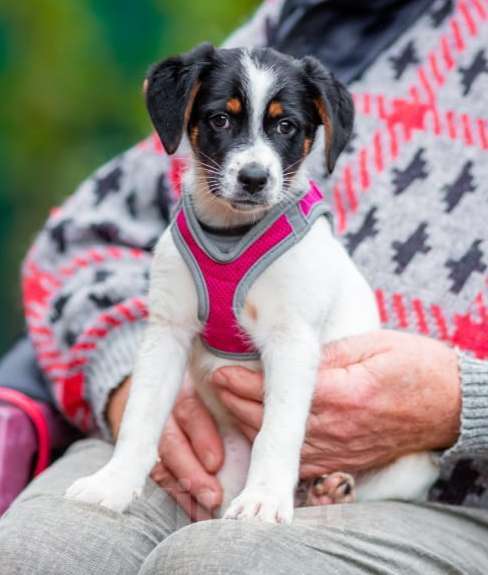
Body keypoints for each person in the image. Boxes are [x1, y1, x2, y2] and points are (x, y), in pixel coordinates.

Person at [2, 0, 488, 572]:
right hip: (208, 426)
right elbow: (80, 239)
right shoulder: (311, 21)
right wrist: (123, 373)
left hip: (438, 490)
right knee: (38, 551)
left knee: (223, 561)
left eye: (284, 129)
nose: (255, 162)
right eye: (222, 121)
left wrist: (463, 401)